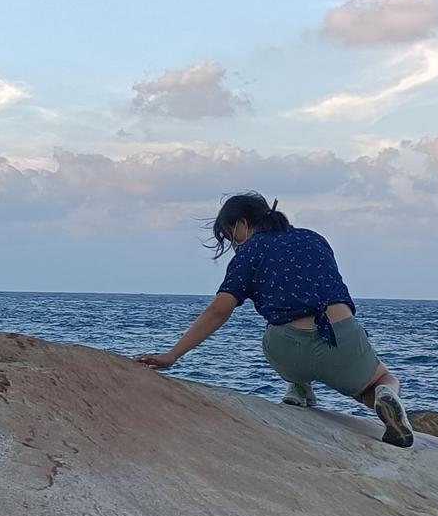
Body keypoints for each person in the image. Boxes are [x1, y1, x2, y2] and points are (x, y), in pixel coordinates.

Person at [134, 191, 413, 447]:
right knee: (379, 380)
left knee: (274, 333)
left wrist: (172, 355)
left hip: (287, 348)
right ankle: (384, 395)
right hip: (341, 339)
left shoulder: (250, 251)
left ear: (241, 225)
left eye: (230, 236)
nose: (233, 244)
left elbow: (219, 310)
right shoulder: (314, 238)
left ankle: (297, 387)